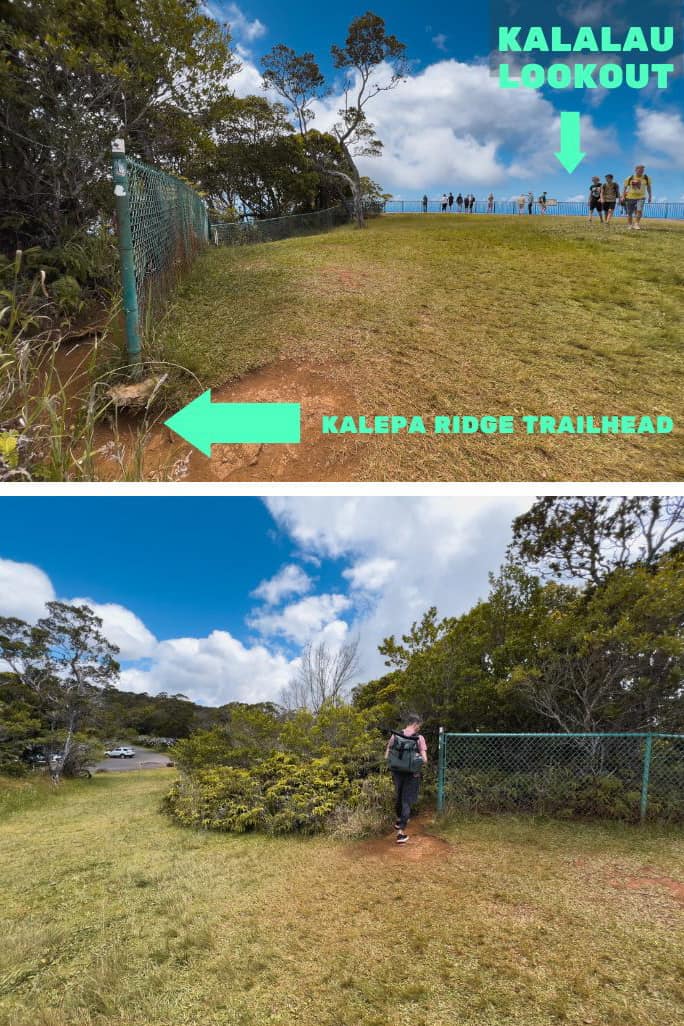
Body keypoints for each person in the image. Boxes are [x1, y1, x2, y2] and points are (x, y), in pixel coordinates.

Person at [385, 714, 428, 843]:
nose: (419, 728)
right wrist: (417, 761)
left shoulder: (395, 736)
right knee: (406, 801)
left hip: (397, 772)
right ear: (415, 724)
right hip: (412, 774)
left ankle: (399, 820)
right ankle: (401, 833)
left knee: (399, 796)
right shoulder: (419, 738)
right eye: (419, 725)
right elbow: (425, 760)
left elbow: (387, 755)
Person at [622, 164, 652, 230]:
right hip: (630, 197)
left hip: (641, 197)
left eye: (642, 170)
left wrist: (650, 196)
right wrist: (623, 196)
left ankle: (636, 224)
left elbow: (649, 187)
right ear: (636, 170)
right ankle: (630, 225)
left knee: (639, 210)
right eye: (640, 170)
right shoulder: (630, 178)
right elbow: (625, 187)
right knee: (629, 212)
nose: (641, 171)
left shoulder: (646, 178)